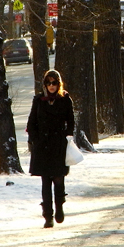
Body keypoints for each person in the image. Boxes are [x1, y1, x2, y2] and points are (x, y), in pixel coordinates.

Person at [27, 70, 75, 229]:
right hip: (42, 145)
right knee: (45, 181)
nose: (51, 86)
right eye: (49, 83)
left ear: (59, 84)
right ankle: (48, 215)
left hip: (58, 143)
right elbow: (31, 122)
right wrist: (35, 139)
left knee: (59, 178)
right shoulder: (39, 100)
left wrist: (68, 136)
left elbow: (71, 121)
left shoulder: (65, 99)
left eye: (54, 83)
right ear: (45, 84)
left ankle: (59, 206)